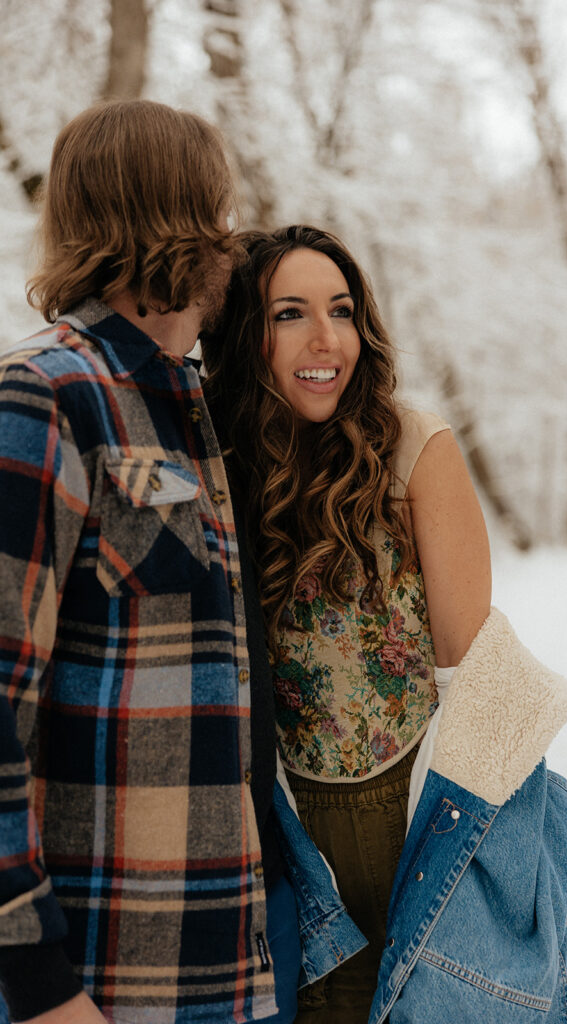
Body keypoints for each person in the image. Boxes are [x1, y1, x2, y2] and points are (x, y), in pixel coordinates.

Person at [202, 224, 567, 1023]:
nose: (325, 338)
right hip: (289, 838)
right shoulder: (218, 463)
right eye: (289, 314)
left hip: (421, 822)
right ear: (247, 333)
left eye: (341, 310)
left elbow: (471, 674)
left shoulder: (416, 448)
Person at [0, 101, 325, 1024]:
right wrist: (38, 984)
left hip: (233, 967)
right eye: (217, 207)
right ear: (176, 216)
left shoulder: (196, 405)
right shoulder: (45, 397)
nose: (232, 232)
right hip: (104, 985)